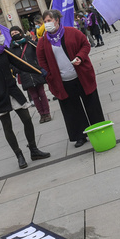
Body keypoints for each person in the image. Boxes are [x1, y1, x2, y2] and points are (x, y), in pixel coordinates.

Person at [0, 23, 49, 169]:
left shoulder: (4, 51)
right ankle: (19, 155)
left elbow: (20, 64)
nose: (2, 36)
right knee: (7, 126)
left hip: (13, 91)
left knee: (27, 119)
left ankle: (34, 150)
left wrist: (38, 70)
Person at [36, 9, 106, 150]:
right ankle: (79, 136)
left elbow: (85, 45)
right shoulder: (43, 42)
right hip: (62, 81)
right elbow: (41, 60)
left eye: (49, 20)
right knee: (72, 110)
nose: (47, 24)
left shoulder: (72, 32)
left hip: (81, 76)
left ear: (57, 20)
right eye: (45, 21)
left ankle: (100, 129)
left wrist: (80, 56)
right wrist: (49, 74)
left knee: (92, 104)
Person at [10, 26, 52, 123]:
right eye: (12, 34)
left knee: (42, 93)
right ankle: (41, 114)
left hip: (35, 72)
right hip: (25, 75)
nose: (14, 34)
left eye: (16, 32)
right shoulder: (12, 49)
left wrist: (39, 66)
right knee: (34, 96)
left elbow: (39, 53)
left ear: (20, 32)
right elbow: (11, 63)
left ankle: (47, 113)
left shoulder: (29, 43)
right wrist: (18, 70)